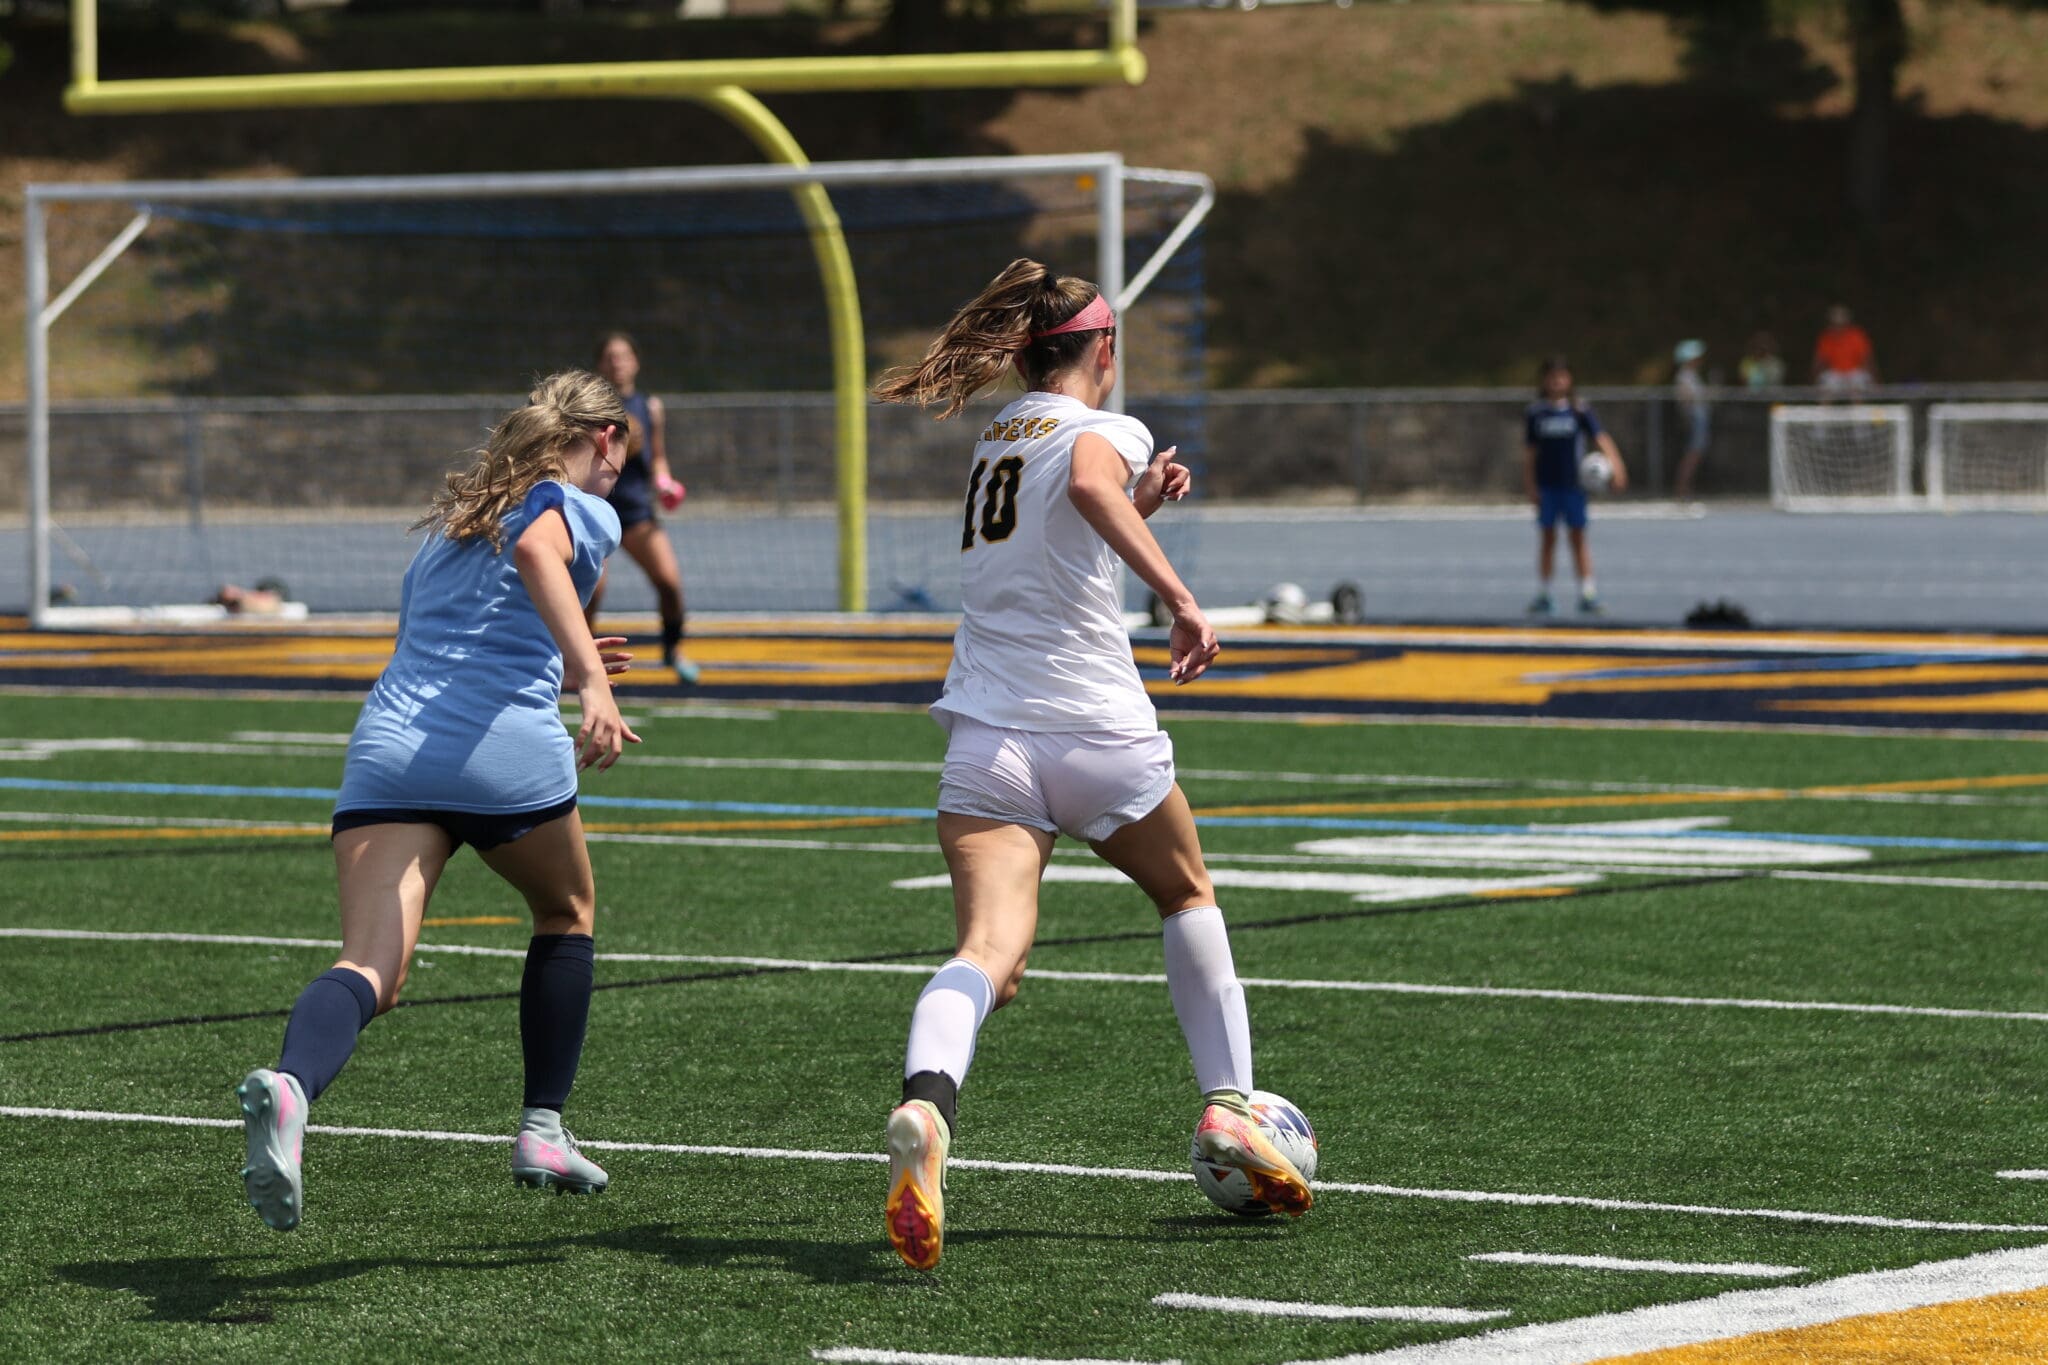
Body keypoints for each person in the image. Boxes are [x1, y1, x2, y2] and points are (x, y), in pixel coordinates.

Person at [869, 258, 1313, 1273]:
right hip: (1093, 728)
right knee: (1186, 892)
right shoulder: (1104, 430)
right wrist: (1181, 599)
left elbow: (1062, 536)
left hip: (988, 733)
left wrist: (1136, 504)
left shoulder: (998, 435)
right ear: (1102, 350)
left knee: (988, 953)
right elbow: (1084, 483)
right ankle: (1231, 1110)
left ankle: (926, 1106)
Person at [235, 370, 640, 1231]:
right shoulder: (578, 502)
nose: (619, 474)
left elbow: (464, 635)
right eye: (622, 455)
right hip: (500, 753)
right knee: (566, 912)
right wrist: (591, 679)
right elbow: (539, 554)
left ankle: (293, 1085)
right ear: (604, 438)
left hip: (390, 753)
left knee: (371, 968)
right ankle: (542, 1128)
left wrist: (559, 656)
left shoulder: (461, 521)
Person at [585, 331, 700, 685]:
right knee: (591, 590)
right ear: (600, 364)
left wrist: (664, 483)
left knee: (669, 583)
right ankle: (579, 659)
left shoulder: (650, 407)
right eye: (610, 357)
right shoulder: (589, 407)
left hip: (636, 513)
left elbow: (657, 457)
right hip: (597, 511)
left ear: (635, 362)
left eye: (623, 356)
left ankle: (673, 649)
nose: (617, 363)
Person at [1524, 355, 1627, 617]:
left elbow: (1601, 438)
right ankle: (1544, 593)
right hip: (1548, 487)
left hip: (1574, 487)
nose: (1557, 382)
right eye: (1552, 377)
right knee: (1548, 539)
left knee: (1578, 538)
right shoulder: (1536, 413)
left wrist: (1616, 466)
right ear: (1544, 381)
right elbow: (1530, 453)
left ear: (1569, 380)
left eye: (1561, 377)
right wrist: (1531, 485)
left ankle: (1587, 593)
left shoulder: (1579, 410)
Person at [1672, 338, 1710, 502]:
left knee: (1695, 454)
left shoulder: (1692, 375)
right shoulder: (1684, 376)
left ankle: (1686, 488)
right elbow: (1686, 398)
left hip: (1699, 418)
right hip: (1694, 419)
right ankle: (1682, 489)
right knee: (1692, 455)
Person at [1812, 305, 1876, 398]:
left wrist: (1874, 379)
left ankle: (1858, 407)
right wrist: (1813, 380)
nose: (1838, 325)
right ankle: (1824, 407)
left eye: (1841, 321)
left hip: (1854, 371)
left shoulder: (1857, 335)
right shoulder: (1826, 337)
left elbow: (1866, 359)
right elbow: (1819, 361)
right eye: (1836, 322)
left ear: (1847, 322)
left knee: (1858, 386)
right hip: (1835, 372)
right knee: (1825, 387)